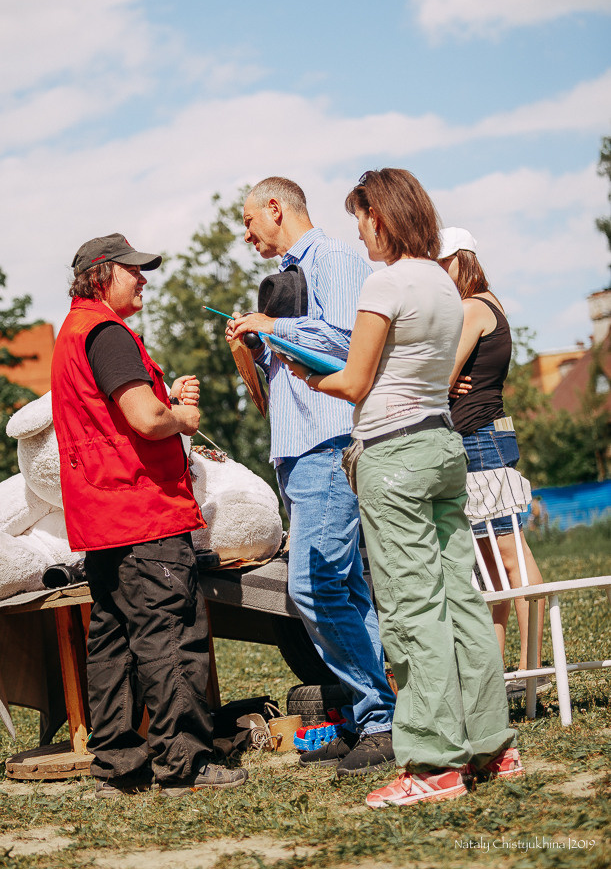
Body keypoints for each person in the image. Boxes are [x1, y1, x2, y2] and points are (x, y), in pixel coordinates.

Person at [284, 170, 520, 808]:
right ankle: (494, 747)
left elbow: (356, 382)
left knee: (411, 611)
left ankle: (433, 765)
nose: (358, 231)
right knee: (461, 602)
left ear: (379, 218)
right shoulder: (445, 282)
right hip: (444, 447)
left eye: (360, 217)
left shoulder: (384, 281)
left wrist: (303, 368)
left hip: (393, 456)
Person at [51, 233, 248, 798]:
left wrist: (168, 396)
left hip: (104, 518)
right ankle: (183, 763)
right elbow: (144, 418)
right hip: (144, 514)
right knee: (170, 634)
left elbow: (115, 415)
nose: (144, 279)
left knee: (111, 642)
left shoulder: (74, 333)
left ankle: (118, 768)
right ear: (100, 274)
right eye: (133, 270)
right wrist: (181, 418)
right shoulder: (108, 334)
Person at [227, 177, 397, 778]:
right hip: (297, 451)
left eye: (249, 220)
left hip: (328, 443)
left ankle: (379, 714)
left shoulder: (337, 258)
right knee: (346, 589)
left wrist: (273, 328)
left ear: (277, 208)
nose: (245, 233)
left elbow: (351, 344)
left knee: (313, 588)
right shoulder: (286, 279)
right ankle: (370, 720)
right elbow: (284, 379)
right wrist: (252, 348)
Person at [438, 227, 546, 681]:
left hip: (479, 440)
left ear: (465, 258)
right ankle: (502, 675)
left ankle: (533, 666)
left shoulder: (471, 307)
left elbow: (439, 377)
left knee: (509, 557)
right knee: (492, 568)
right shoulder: (491, 302)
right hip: (484, 437)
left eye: (446, 262)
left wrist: (438, 378)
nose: (441, 271)